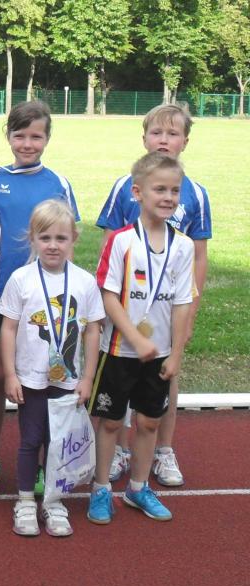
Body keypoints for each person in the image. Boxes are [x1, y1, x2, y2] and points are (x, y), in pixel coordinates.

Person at [96, 103, 211, 486]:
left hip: (167, 314)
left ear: (185, 142)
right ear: (144, 138)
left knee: (165, 377)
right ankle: (120, 451)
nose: (164, 140)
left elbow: (198, 256)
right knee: (120, 384)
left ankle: (163, 449)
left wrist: (190, 314)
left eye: (172, 133)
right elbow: (108, 245)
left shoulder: (195, 194)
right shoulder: (124, 186)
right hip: (125, 310)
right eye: (156, 133)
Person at [0, 100, 79, 496]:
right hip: (1, 293)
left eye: (36, 136)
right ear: (8, 136)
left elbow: (68, 240)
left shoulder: (59, 182)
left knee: (44, 381)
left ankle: (38, 464)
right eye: (20, 136)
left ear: (47, 138)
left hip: (46, 300)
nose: (27, 144)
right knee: (0, 379)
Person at [87, 152, 194, 525]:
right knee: (111, 422)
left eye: (174, 191)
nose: (168, 197)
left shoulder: (183, 246)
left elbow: (182, 303)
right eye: (159, 189)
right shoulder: (121, 241)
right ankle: (101, 487)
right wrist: (135, 337)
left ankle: (137, 487)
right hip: (118, 351)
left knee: (149, 422)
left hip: (159, 354)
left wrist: (175, 354)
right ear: (138, 192)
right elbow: (107, 297)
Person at [0, 200, 104, 537]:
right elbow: (8, 328)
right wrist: (11, 374)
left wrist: (87, 378)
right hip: (30, 379)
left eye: (61, 238)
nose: (53, 245)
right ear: (32, 238)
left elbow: (93, 331)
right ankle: (26, 500)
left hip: (68, 381)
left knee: (59, 443)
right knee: (30, 440)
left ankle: (54, 500)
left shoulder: (85, 282)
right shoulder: (21, 279)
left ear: (74, 239)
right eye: (45, 238)